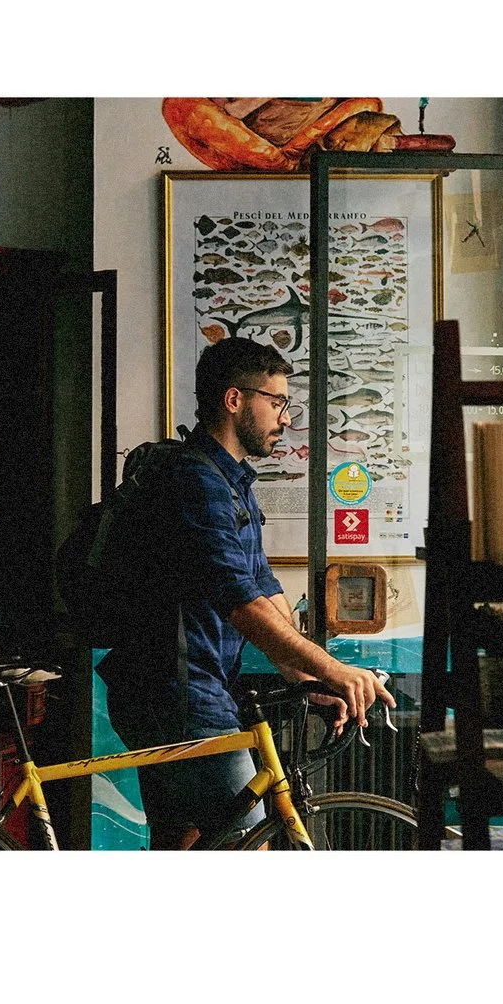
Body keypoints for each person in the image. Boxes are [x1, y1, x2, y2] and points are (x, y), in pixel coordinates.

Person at [96, 336, 396, 849]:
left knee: (186, 840)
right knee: (248, 843)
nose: (286, 417)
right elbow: (242, 605)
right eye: (276, 402)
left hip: (178, 690)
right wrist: (335, 670)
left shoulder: (228, 482)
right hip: (180, 694)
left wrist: (309, 679)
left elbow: (266, 593)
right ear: (234, 400)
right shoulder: (194, 481)